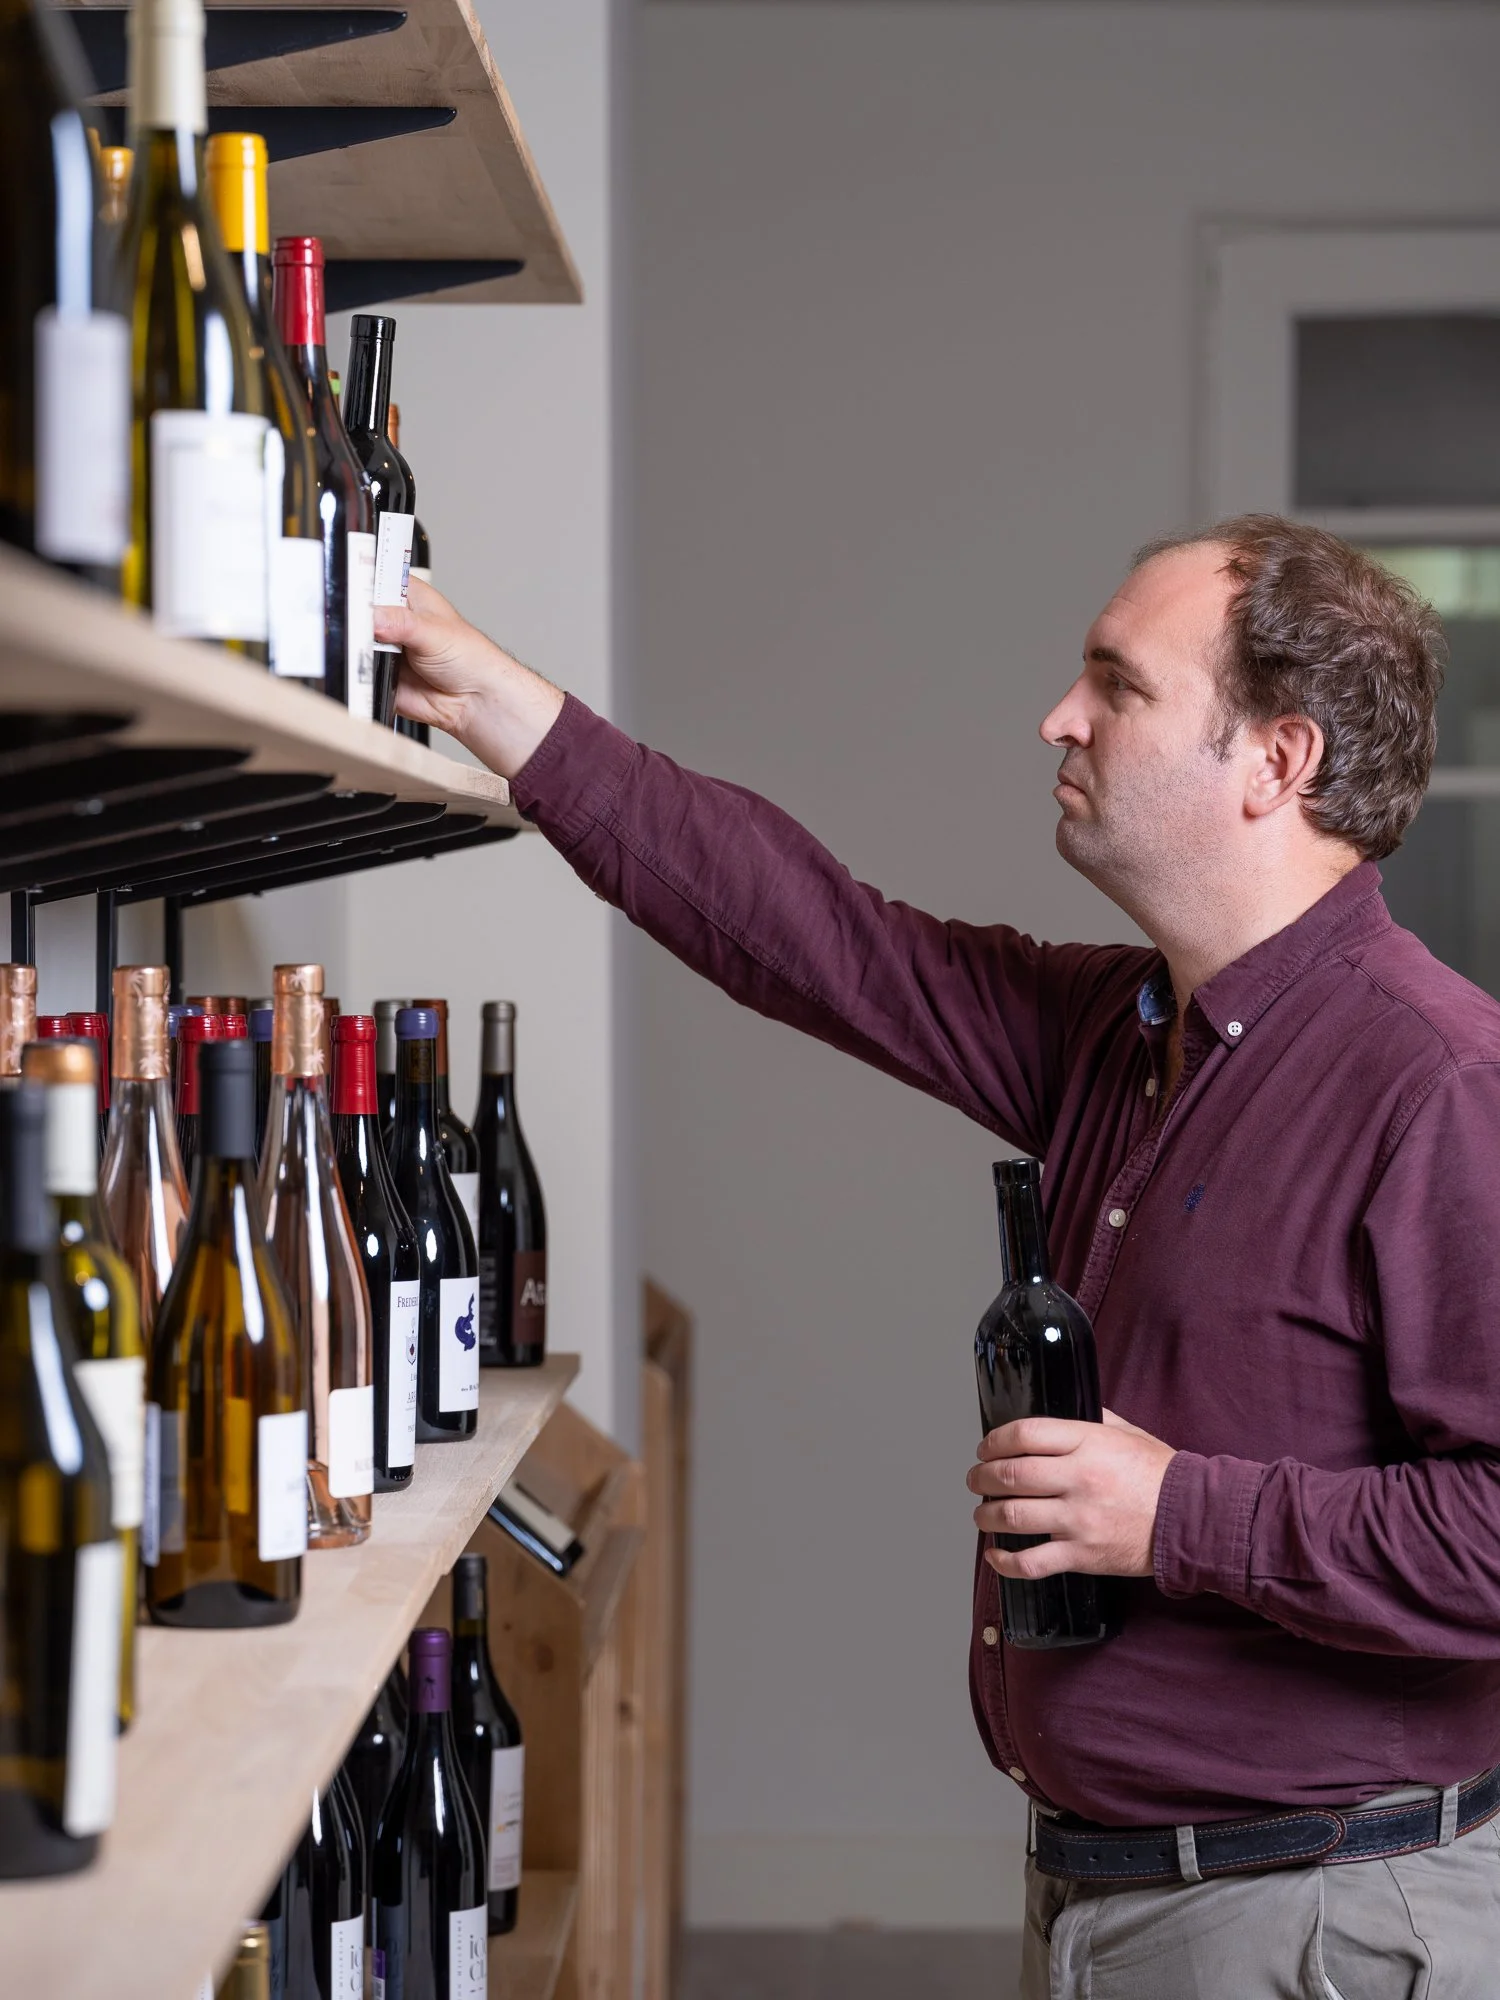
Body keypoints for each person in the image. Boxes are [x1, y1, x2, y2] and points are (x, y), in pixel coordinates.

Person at [376, 515, 1500, 1999]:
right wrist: (499, 706)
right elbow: (821, 938)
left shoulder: (1440, 1081)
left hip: (1315, 1920)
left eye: (1119, 683)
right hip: (1125, 1891)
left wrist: (1176, 1513)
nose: (1060, 717)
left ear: (1275, 762)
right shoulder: (1128, 1033)